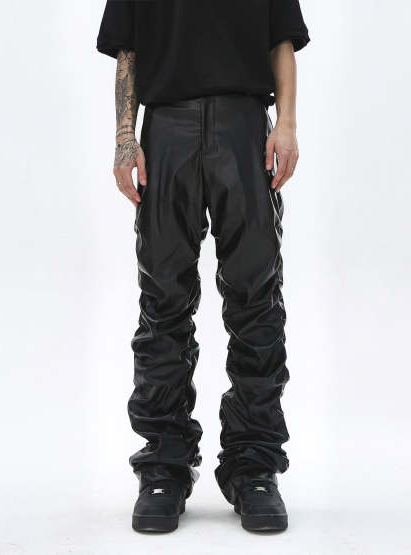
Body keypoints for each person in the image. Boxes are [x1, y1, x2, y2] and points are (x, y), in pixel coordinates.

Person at [97, 0, 310, 533]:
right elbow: (128, 50)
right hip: (167, 130)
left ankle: (254, 466)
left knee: (257, 300)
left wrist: (286, 124)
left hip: (244, 127)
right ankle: (163, 467)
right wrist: (125, 138)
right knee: (163, 303)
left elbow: (281, 39)